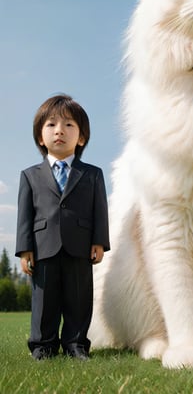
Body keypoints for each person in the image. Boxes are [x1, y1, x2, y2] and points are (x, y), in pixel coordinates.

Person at [15, 94, 110, 361]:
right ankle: (42, 345)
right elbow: (24, 216)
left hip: (80, 246)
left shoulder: (92, 174)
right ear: (40, 138)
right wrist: (25, 249)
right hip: (43, 247)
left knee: (79, 299)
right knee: (44, 301)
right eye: (51, 125)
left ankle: (76, 344)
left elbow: (99, 211)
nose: (59, 130)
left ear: (81, 137)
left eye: (69, 125)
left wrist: (99, 241)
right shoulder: (29, 176)